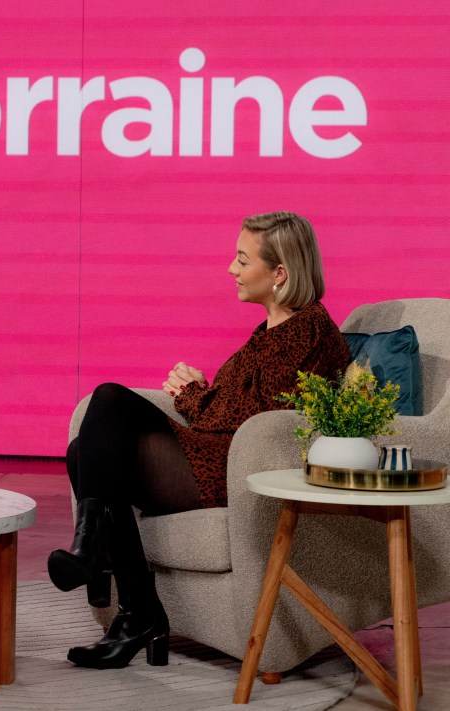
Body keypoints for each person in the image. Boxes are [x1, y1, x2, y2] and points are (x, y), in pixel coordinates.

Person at [47, 212, 350, 670]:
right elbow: (237, 404)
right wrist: (204, 395)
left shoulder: (308, 332)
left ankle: (99, 561)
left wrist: (193, 395)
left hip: (232, 468)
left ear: (279, 274)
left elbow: (258, 421)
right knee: (86, 450)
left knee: (109, 401)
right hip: (210, 451)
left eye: (243, 259)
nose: (231, 268)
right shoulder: (269, 330)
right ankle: (135, 609)